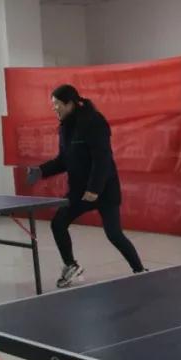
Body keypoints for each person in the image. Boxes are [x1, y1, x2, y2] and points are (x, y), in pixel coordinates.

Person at [26, 84, 146, 287]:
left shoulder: (94, 122)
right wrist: (41, 171)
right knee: (58, 223)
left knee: (114, 234)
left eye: (57, 104)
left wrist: (94, 188)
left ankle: (140, 270)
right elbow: (64, 160)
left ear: (69, 103)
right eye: (53, 104)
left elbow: (102, 159)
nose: (54, 108)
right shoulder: (65, 127)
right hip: (79, 191)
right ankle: (71, 265)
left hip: (104, 189)